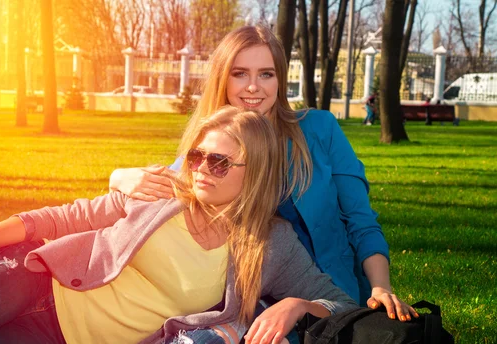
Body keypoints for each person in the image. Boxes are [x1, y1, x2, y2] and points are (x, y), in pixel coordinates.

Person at [0, 107, 358, 344]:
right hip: (36, 281)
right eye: (196, 156)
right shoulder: (162, 192)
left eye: (220, 162)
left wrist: (299, 306)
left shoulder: (270, 243)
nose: (201, 169)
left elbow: (342, 304)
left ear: (255, 173)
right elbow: (65, 217)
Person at [109, 25, 417, 321]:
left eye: (266, 74)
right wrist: (118, 177)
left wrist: (380, 287)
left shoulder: (320, 129)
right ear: (223, 79)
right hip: (250, 297)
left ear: (279, 80)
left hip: (330, 291)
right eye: (240, 73)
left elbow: (360, 219)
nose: (253, 86)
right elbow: (169, 187)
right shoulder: (213, 144)